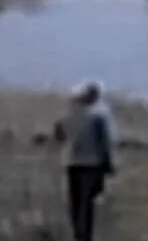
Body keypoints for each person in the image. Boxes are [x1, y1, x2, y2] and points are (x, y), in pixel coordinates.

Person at [54, 82, 114, 241]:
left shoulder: (65, 117)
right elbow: (103, 143)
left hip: (71, 162)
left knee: (74, 200)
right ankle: (85, 234)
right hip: (92, 164)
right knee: (87, 203)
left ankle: (77, 233)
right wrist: (108, 164)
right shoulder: (97, 118)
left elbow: (58, 136)